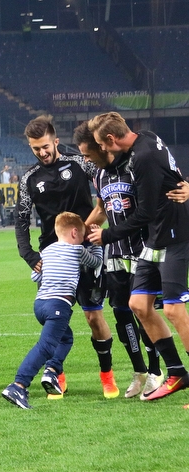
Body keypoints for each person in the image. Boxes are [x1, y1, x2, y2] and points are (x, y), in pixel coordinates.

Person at [88, 112, 189, 402]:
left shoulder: (142, 157)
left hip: (173, 232)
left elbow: (143, 212)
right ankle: (177, 372)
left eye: (101, 144)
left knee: (173, 309)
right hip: (156, 235)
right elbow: (172, 175)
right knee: (139, 304)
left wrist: (107, 235)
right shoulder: (147, 137)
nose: (102, 150)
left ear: (111, 139)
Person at [15, 116, 117, 399]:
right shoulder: (29, 179)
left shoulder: (81, 164)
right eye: (36, 149)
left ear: (56, 141)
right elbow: (21, 220)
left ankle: (107, 376)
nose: (42, 153)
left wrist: (97, 225)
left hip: (85, 251)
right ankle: (56, 377)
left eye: (45, 146)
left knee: (94, 317)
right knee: (53, 322)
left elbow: (108, 187)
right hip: (52, 257)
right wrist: (28, 254)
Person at [74, 121, 165, 398]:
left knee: (143, 312)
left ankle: (155, 371)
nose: (88, 160)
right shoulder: (99, 175)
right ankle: (139, 371)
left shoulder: (134, 166)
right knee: (122, 313)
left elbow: (149, 207)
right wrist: (77, 234)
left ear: (103, 146)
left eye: (90, 154)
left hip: (141, 250)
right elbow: (102, 209)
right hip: (113, 254)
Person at [2, 212, 103, 409]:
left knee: (66, 338)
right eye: (81, 236)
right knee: (46, 346)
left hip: (40, 304)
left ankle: (51, 371)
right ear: (74, 232)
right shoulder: (78, 251)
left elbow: (35, 277)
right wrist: (97, 245)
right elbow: (96, 263)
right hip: (59, 304)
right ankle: (18, 385)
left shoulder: (46, 252)